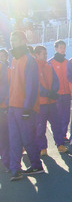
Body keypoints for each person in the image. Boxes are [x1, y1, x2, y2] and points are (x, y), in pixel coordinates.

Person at [7, 30, 43, 181]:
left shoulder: (29, 60)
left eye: (15, 40)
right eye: (11, 40)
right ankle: (15, 169)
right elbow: (12, 85)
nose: (13, 42)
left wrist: (28, 108)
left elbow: (32, 87)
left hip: (24, 108)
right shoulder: (14, 59)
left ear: (23, 41)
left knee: (28, 138)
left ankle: (36, 165)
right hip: (13, 107)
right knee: (14, 138)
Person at [34, 46, 67, 155]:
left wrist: (53, 91)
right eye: (43, 53)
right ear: (37, 55)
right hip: (41, 103)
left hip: (51, 102)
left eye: (46, 53)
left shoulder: (49, 66)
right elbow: (35, 84)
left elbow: (55, 80)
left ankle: (60, 144)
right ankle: (42, 148)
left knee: (56, 124)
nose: (46, 55)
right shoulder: (33, 67)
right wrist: (46, 92)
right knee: (40, 127)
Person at [49, 40, 71, 144]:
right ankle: (57, 136)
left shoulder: (67, 62)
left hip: (66, 93)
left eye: (64, 47)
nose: (63, 49)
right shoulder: (50, 63)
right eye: (61, 47)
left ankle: (63, 135)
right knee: (56, 116)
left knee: (66, 115)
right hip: (56, 94)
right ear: (56, 49)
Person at [0, 49, 9, 172]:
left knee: (5, 135)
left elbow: (6, 87)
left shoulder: (7, 68)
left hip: (5, 106)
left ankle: (7, 161)